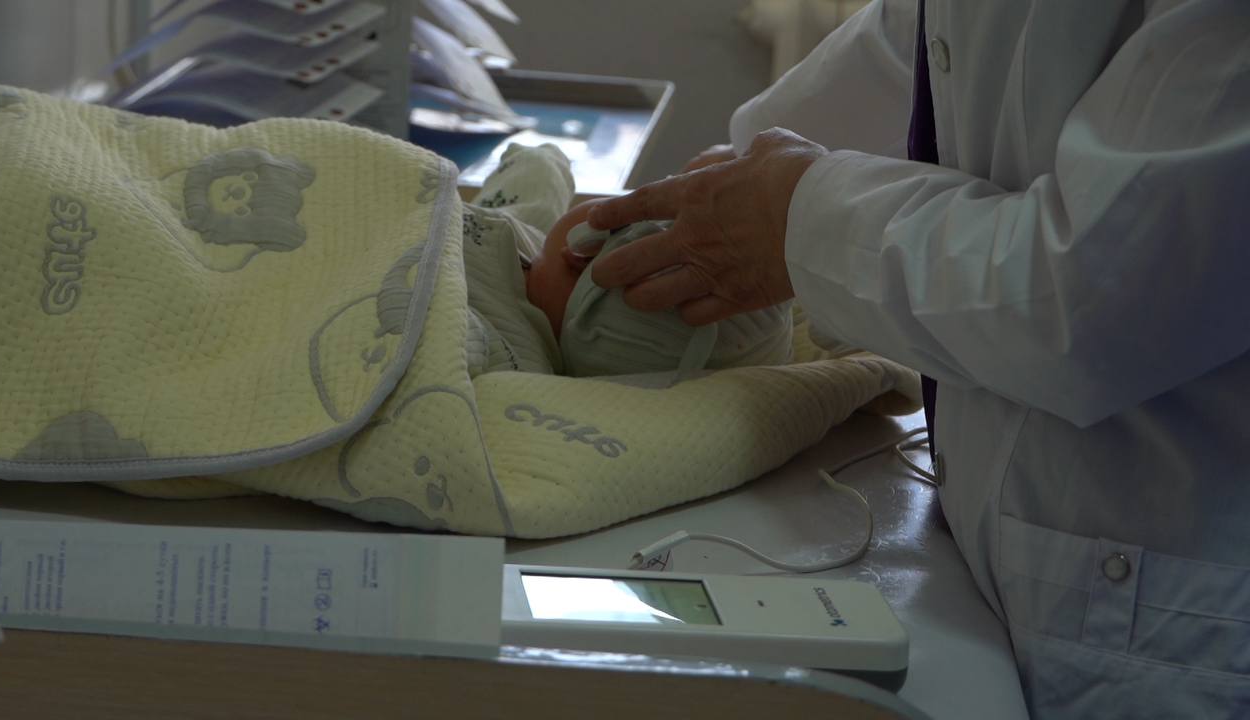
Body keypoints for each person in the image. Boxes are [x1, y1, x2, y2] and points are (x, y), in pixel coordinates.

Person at [571, 1, 1250, 717]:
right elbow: (935, 46)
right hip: (1008, 566)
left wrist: (794, 217)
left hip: (1174, 619)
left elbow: (1101, 295)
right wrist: (728, 183)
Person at [460, 143, 793, 379]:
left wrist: (542, 160)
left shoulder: (497, 345)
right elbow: (536, 180)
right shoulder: (535, 240)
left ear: (586, 247)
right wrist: (543, 160)